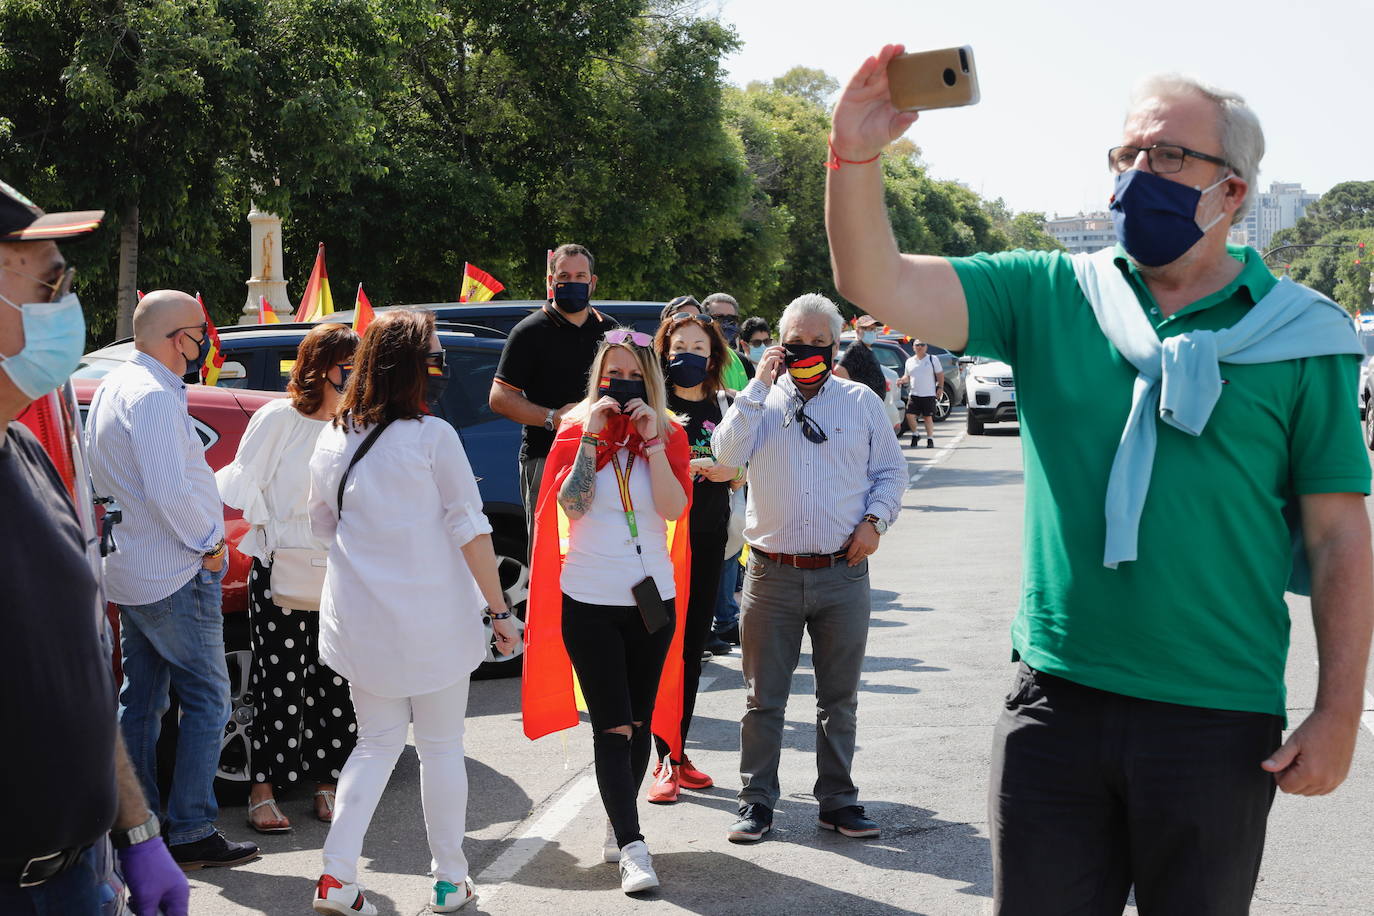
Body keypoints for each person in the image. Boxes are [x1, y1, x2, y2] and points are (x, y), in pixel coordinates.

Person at [827, 44, 1373, 914]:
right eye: (1125, 154)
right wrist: (853, 156)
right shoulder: (1053, 293)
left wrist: (1338, 711)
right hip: (1057, 704)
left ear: (1233, 192)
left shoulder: (1303, 335)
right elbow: (875, 280)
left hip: (1217, 717)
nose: (1135, 175)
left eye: (1165, 156)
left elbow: (1340, 535)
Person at [0, 180, 189, 915]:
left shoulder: (29, 454)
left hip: (81, 875)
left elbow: (78, 673)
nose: (65, 305)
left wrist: (138, 831)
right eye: (51, 283)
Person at [308, 309, 518, 915]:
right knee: (440, 747)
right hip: (432, 620)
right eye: (432, 350)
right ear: (411, 364)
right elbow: (472, 531)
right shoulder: (432, 437)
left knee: (374, 745)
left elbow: (323, 527)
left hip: (361, 620)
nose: (441, 361)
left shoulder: (332, 435)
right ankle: (450, 878)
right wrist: (501, 611)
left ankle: (336, 876)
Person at [712, 293, 905, 845]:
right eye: (799, 340)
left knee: (838, 698)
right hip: (771, 574)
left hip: (842, 573)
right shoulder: (757, 401)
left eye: (823, 342)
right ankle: (756, 803)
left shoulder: (860, 401)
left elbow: (891, 472)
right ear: (780, 341)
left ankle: (838, 801)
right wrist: (756, 387)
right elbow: (726, 457)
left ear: (837, 343)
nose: (810, 351)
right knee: (762, 698)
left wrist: (875, 522)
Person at [86, 289, 260, 870]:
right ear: (172, 338)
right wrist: (210, 546)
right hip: (173, 569)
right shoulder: (154, 396)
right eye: (198, 331)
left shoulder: (117, 385)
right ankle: (190, 829)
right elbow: (168, 491)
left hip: (135, 570)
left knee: (143, 702)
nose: (204, 341)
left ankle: (140, 830)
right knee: (208, 699)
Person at [520, 329, 693, 895]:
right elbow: (571, 505)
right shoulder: (574, 432)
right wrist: (592, 439)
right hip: (589, 598)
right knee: (612, 723)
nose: (620, 388)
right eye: (610, 376)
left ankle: (623, 827)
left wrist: (650, 444)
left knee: (638, 723)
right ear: (596, 381)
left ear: (650, 381)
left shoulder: (668, 433)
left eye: (632, 377)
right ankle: (633, 845)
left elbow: (672, 508)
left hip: (652, 601)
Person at [216, 323, 360, 833]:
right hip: (282, 565)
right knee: (278, 682)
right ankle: (263, 789)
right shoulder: (279, 417)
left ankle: (327, 783)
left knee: (335, 681)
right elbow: (240, 482)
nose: (354, 373)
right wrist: (278, 531)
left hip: (338, 568)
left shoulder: (353, 424)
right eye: (348, 364)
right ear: (321, 366)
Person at [645, 312, 739, 803]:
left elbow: (741, 469)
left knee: (691, 653)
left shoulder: (726, 404)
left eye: (699, 347)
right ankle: (662, 757)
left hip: (707, 544)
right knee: (658, 652)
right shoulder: (651, 408)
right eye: (680, 346)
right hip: (655, 550)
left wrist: (726, 470)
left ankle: (676, 752)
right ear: (664, 351)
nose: (689, 355)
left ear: (713, 354)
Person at [490, 243, 616, 549]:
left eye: (580, 275)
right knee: (550, 550)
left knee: (602, 548)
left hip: (606, 457)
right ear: (550, 281)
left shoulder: (611, 331)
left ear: (592, 282)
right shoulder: (529, 331)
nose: (572, 282)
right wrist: (554, 418)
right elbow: (499, 397)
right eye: (564, 275)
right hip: (547, 457)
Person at [702, 292, 754, 388]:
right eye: (719, 317)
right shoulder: (696, 359)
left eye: (732, 318)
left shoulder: (742, 361)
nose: (726, 323)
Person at [898, 339, 944, 449]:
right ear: (913, 347)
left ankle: (930, 439)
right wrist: (901, 380)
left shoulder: (933, 359)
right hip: (914, 394)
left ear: (926, 347)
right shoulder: (909, 361)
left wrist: (940, 388)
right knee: (909, 416)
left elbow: (940, 374)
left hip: (928, 394)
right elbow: (907, 376)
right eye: (917, 345)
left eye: (922, 345)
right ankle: (915, 434)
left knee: (928, 417)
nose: (920, 347)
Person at [835, 314, 888, 400]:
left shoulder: (866, 348)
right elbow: (839, 371)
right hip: (863, 403)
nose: (872, 332)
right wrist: (856, 394)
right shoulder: (856, 347)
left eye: (874, 329)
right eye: (869, 329)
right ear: (858, 331)